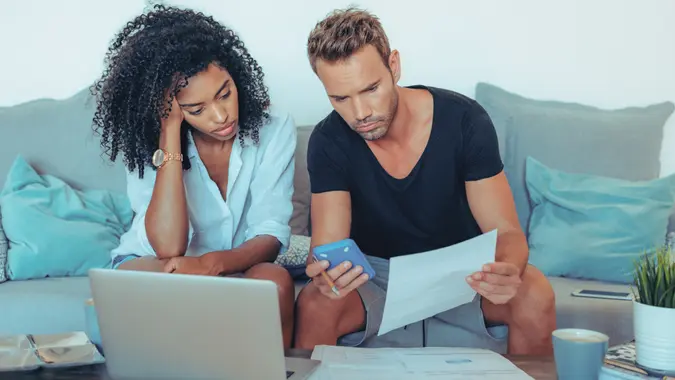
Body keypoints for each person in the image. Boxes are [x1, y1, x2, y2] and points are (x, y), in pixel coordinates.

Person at [294, 8, 557, 355]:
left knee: (535, 291)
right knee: (315, 303)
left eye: (370, 89)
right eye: (340, 98)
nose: (360, 113)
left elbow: (507, 232)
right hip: (378, 279)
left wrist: (506, 270)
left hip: (462, 274)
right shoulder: (328, 140)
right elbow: (328, 245)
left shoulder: (465, 120)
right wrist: (326, 274)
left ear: (394, 65)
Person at [90, 5, 296, 349]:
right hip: (156, 263)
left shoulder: (274, 129)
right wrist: (169, 130)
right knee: (170, 280)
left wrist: (211, 265)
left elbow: (270, 233)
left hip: (229, 261)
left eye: (225, 93)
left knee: (275, 283)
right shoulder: (147, 140)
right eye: (196, 109)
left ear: (237, 74)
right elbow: (169, 246)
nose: (221, 116)